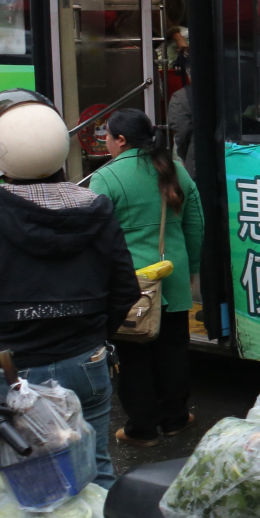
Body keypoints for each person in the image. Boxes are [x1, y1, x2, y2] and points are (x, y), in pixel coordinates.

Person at [0, 90, 138, 487]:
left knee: (17, 477)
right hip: (86, 358)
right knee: (94, 470)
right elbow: (124, 289)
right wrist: (94, 334)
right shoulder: (96, 207)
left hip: (7, 368)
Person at [94, 108, 203, 446]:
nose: (107, 143)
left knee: (134, 357)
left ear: (121, 140)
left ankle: (142, 429)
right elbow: (195, 225)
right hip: (172, 274)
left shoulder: (106, 178)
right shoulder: (174, 169)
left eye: (108, 137)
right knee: (174, 351)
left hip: (131, 283)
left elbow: (96, 236)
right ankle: (175, 419)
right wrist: (190, 267)